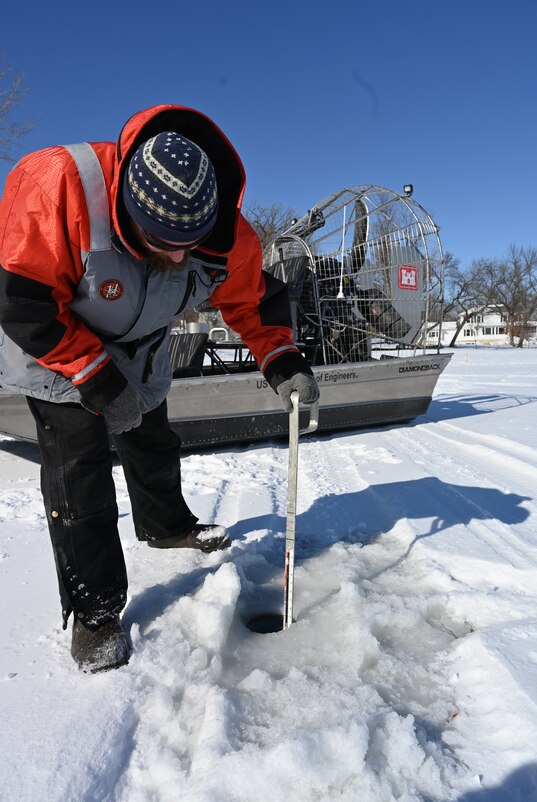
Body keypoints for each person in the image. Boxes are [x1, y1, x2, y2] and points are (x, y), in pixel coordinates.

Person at [0, 104, 319, 673]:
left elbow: (249, 300)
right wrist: (93, 377)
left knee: (152, 437)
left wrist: (281, 359)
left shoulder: (224, 232)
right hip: (53, 343)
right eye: (163, 240)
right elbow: (21, 303)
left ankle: (166, 526)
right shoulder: (56, 185)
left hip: (141, 347)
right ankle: (95, 614)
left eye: (189, 243)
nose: (178, 255)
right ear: (127, 204)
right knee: (81, 475)